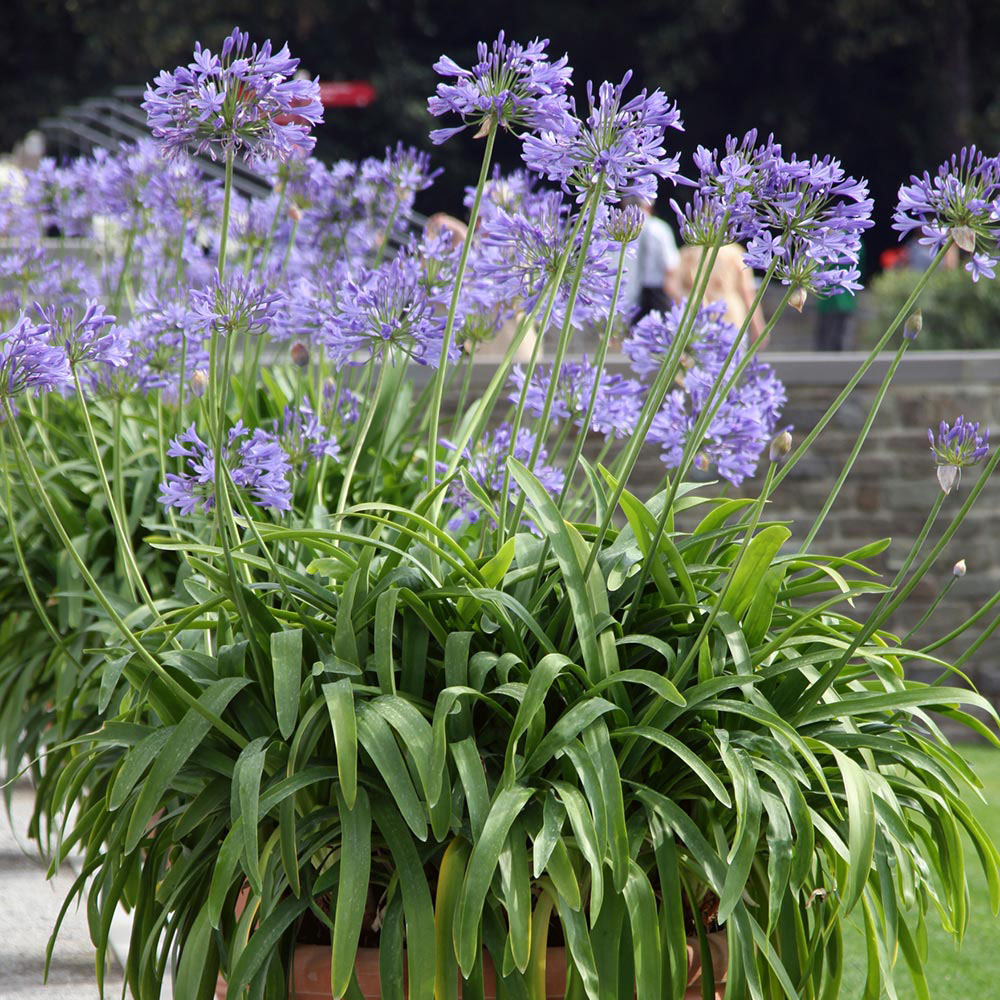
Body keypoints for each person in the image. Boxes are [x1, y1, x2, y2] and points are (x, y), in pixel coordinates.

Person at [677, 243, 766, 343]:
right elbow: (747, 292)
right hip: (730, 314)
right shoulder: (734, 252)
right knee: (733, 355)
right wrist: (757, 325)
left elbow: (675, 288)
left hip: (697, 314)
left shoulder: (687, 252)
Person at [623, 196, 680, 323]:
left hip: (629, 295)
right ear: (649, 205)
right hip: (656, 294)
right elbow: (671, 266)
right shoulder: (660, 229)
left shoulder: (619, 230)